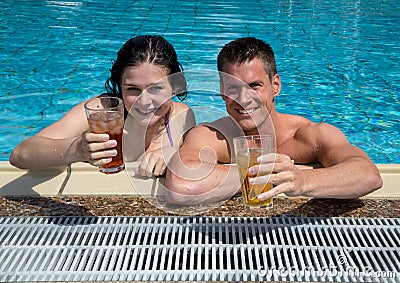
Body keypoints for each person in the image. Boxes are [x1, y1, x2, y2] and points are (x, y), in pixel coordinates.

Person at [165, 37, 382, 205]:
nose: (243, 99)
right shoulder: (214, 136)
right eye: (233, 88)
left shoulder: (309, 136)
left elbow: (368, 175)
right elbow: (180, 185)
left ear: (275, 86)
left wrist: (301, 180)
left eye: (254, 86)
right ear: (222, 91)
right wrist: (266, 174)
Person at [10, 35, 195, 177]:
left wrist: (175, 153)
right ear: (119, 86)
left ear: (174, 86)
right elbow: (20, 154)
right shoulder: (101, 113)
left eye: (156, 88)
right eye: (132, 89)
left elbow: (195, 157)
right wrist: (77, 149)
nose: (144, 101)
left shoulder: (180, 117)